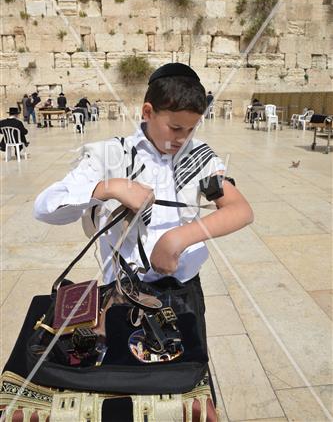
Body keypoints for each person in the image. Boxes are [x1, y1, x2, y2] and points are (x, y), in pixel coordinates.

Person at [34, 63, 253, 359]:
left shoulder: (199, 157)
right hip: (122, 296)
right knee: (126, 382)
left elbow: (240, 209)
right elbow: (46, 207)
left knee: (186, 378)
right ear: (147, 112)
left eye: (191, 129)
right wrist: (109, 188)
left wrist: (179, 238)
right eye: (175, 128)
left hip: (183, 292)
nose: (182, 139)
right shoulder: (112, 155)